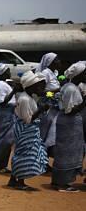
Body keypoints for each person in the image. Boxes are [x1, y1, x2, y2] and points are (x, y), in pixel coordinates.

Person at [8, 71, 48, 190]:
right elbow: (27, 119)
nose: (40, 88)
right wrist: (40, 110)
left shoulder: (28, 97)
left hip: (28, 129)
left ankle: (14, 179)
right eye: (38, 86)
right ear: (31, 86)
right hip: (25, 129)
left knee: (23, 153)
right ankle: (19, 181)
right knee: (24, 154)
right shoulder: (25, 99)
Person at [52, 62, 85, 192]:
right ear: (78, 75)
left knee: (64, 151)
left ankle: (58, 180)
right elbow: (70, 110)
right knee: (68, 152)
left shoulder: (69, 86)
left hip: (67, 123)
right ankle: (63, 183)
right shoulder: (71, 89)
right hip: (69, 123)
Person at [0, 63, 19, 173]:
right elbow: (3, 101)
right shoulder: (1, 85)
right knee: (2, 139)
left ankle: (2, 164)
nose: (9, 72)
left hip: (8, 112)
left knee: (6, 139)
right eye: (7, 70)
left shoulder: (2, 84)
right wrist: (14, 91)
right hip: (4, 113)